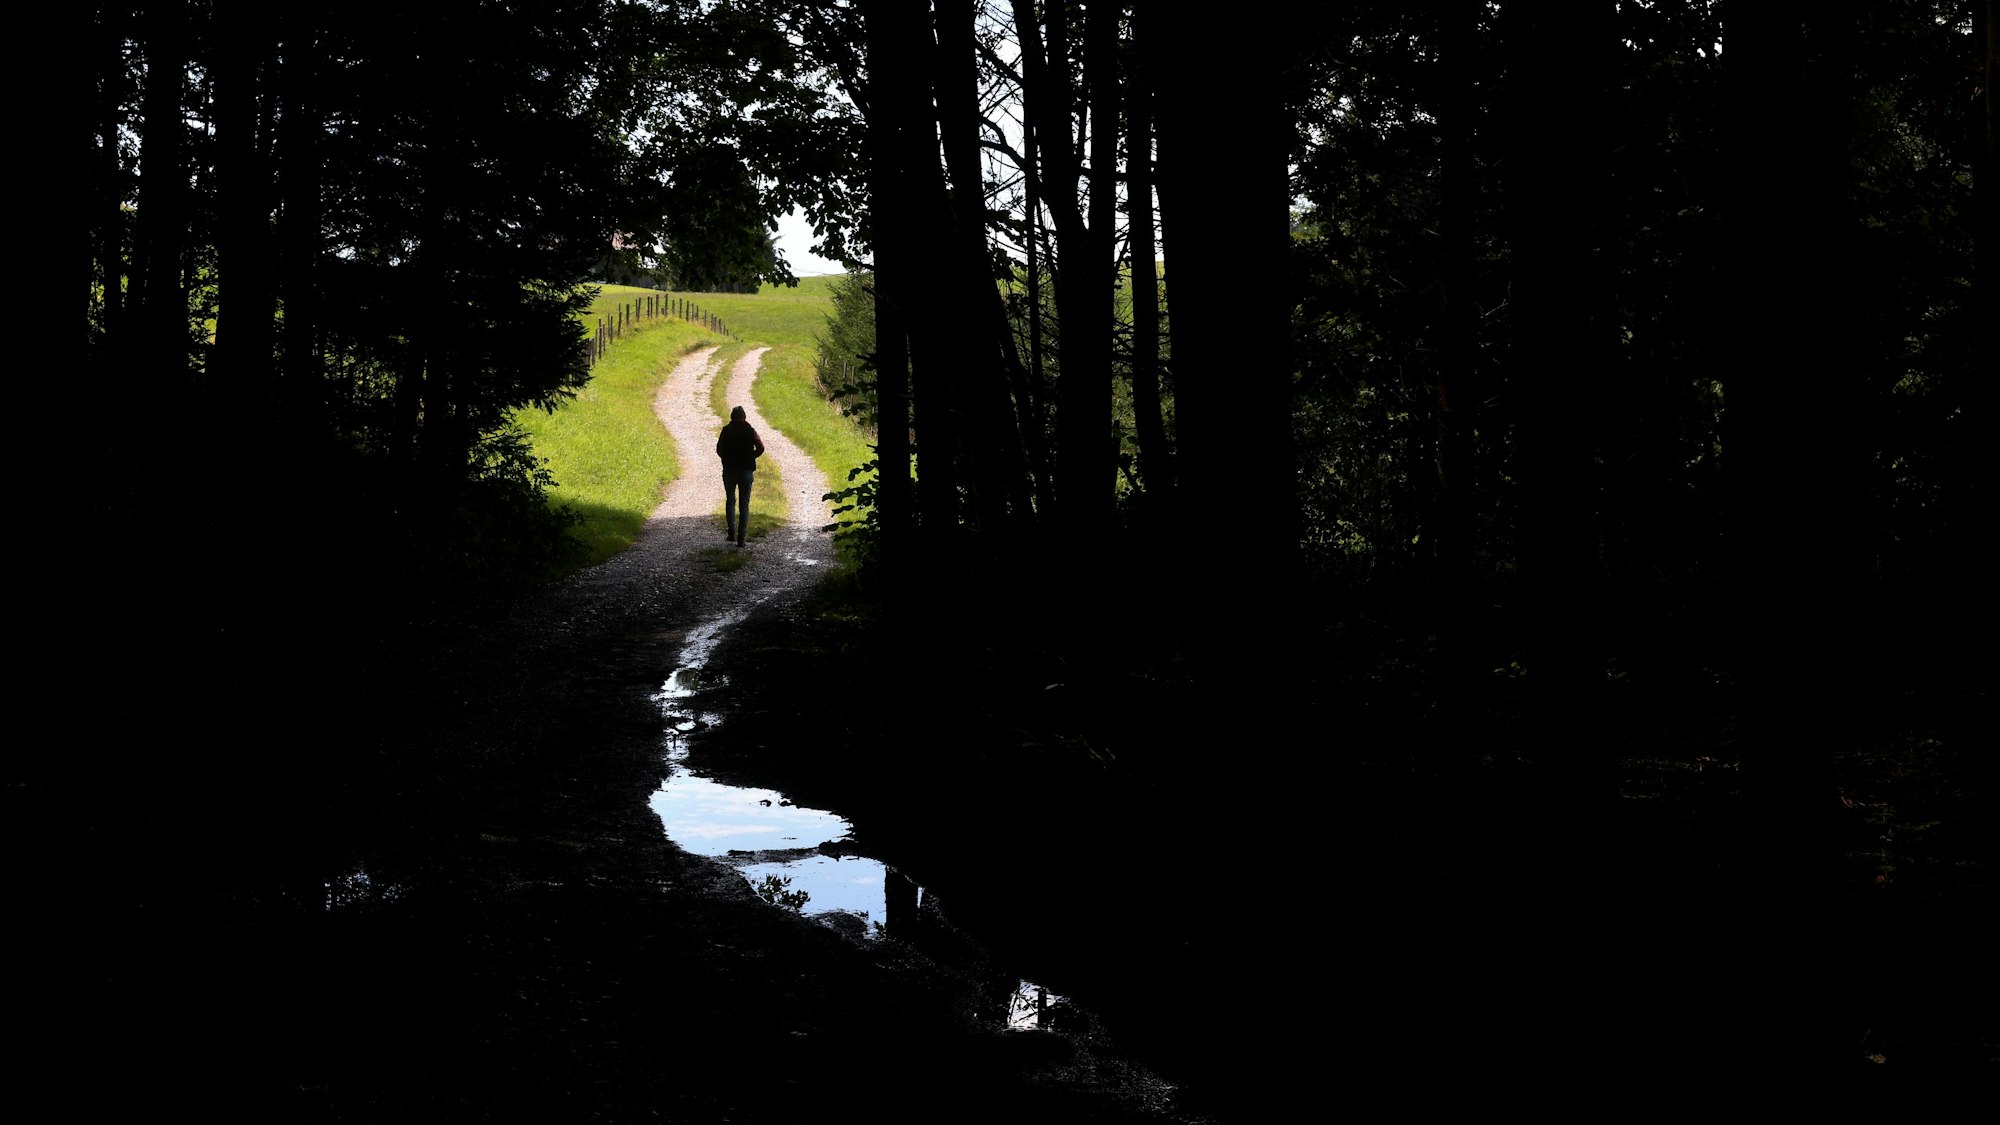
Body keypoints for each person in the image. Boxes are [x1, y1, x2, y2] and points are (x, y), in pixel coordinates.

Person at [715, 405, 765, 546]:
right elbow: (761, 447)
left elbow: (719, 449)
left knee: (730, 500)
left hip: (730, 470)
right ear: (744, 417)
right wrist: (751, 457)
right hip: (746, 471)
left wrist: (726, 458)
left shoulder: (726, 431)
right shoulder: (750, 431)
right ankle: (741, 537)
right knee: (744, 503)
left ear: (732, 417)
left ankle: (731, 532)